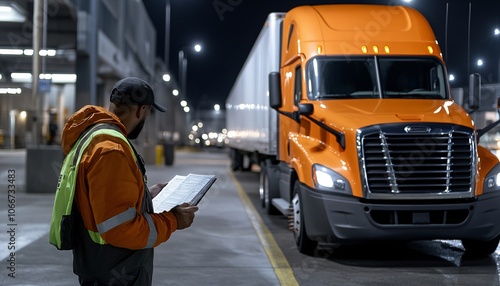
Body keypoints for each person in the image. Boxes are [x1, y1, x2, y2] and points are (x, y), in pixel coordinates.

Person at [61, 77, 199, 285]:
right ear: (141, 110)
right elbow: (120, 228)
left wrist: (147, 195)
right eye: (149, 113)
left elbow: (103, 201)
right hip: (116, 270)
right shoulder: (112, 150)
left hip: (101, 264)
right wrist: (173, 220)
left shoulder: (94, 138)